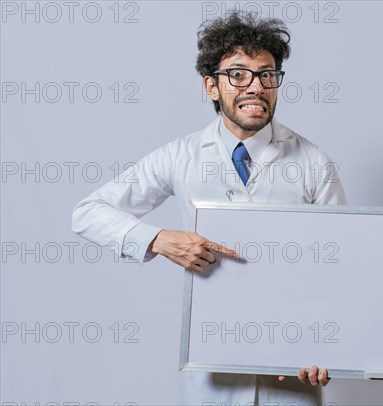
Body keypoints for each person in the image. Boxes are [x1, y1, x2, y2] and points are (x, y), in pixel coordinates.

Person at [72, 11, 346, 405]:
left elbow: (341, 265)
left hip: (294, 369)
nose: (255, 86)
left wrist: (328, 343)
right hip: (214, 372)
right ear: (211, 86)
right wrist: (159, 240)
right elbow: (88, 212)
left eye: (266, 74)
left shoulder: (313, 161)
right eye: (238, 75)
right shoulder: (181, 156)